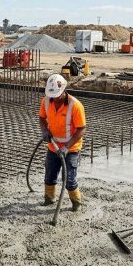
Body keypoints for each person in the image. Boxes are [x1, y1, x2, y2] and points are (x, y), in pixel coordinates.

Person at [38, 74, 86, 211]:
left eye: (57, 95)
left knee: (70, 180)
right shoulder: (46, 101)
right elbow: (42, 118)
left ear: (64, 90)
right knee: (49, 175)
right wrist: (44, 131)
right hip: (53, 147)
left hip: (70, 149)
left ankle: (76, 203)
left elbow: (81, 129)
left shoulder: (75, 106)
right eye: (52, 96)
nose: (54, 99)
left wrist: (67, 147)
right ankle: (49, 198)